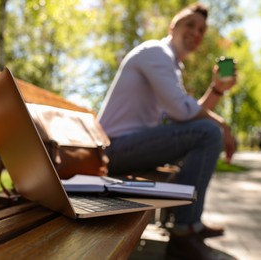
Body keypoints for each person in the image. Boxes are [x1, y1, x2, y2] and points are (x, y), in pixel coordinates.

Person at [98, 2, 237, 259]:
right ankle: (184, 233)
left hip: (128, 146)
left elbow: (185, 114)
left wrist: (217, 90)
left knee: (204, 132)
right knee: (208, 133)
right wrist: (223, 125)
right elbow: (184, 112)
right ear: (172, 27)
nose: (196, 33)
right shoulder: (156, 52)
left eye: (202, 30)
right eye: (190, 25)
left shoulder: (171, 64)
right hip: (113, 149)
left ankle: (190, 223)